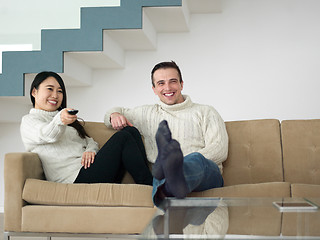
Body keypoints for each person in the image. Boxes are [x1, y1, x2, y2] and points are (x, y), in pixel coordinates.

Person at [104, 61, 228, 207]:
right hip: (165, 176)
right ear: (154, 89)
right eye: (161, 83)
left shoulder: (206, 112)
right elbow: (112, 113)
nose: (167, 88)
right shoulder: (146, 114)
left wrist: (181, 162)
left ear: (182, 84)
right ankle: (166, 187)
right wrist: (114, 114)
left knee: (193, 159)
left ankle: (170, 170)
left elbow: (219, 149)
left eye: (173, 82)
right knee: (164, 172)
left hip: (205, 173)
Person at [20, 71, 153, 186]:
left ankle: (149, 187)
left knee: (130, 131)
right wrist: (60, 119)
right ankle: (152, 188)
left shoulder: (66, 120)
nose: (55, 95)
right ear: (34, 92)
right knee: (123, 138)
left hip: (90, 170)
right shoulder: (30, 121)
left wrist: (91, 150)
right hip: (74, 179)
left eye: (59, 91)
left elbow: (90, 141)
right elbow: (48, 135)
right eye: (50, 89)